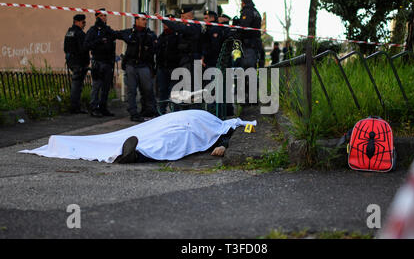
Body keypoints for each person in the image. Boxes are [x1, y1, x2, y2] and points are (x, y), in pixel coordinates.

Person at [19, 110, 256, 164]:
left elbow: (248, 131)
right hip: (182, 123)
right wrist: (225, 144)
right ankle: (134, 151)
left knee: (171, 141)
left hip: (186, 128)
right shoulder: (222, 124)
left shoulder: (230, 127)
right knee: (163, 137)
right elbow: (242, 129)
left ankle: (134, 154)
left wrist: (226, 146)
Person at [116, 13, 158, 122]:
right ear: (137, 20)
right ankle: (133, 113)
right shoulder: (130, 33)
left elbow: (155, 49)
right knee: (132, 90)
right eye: (143, 19)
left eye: (146, 20)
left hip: (144, 65)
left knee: (147, 89)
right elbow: (115, 34)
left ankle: (149, 110)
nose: (145, 22)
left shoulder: (150, 34)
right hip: (131, 65)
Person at [83, 8, 117, 118]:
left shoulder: (108, 30)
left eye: (105, 16)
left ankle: (103, 107)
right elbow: (86, 45)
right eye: (101, 16)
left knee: (106, 87)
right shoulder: (92, 30)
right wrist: (99, 41)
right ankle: (94, 108)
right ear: (96, 17)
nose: (104, 18)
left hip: (108, 62)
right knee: (96, 86)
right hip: (97, 61)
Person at [160, 6, 202, 92]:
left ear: (191, 17)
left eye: (185, 17)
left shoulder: (195, 26)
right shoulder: (183, 26)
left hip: (193, 60)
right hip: (184, 60)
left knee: (193, 87)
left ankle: (194, 105)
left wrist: (165, 20)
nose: (182, 19)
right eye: (181, 17)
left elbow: (182, 29)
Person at [64, 14, 89, 114]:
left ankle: (75, 107)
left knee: (76, 85)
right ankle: (75, 107)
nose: (84, 24)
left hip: (71, 62)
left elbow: (65, 48)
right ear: (77, 22)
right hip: (79, 63)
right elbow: (83, 49)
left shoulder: (69, 32)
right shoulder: (80, 34)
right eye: (83, 22)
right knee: (77, 86)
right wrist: (86, 62)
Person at [155, 14, 180, 114]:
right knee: (162, 91)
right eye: (164, 23)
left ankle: (176, 111)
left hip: (174, 68)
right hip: (162, 68)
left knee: (175, 91)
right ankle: (161, 111)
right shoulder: (161, 37)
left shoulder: (177, 36)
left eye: (167, 22)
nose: (165, 25)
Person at [238, 0, 264, 69]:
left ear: (243, 2)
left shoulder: (247, 11)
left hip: (249, 44)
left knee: (248, 67)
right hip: (256, 43)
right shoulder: (256, 11)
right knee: (253, 66)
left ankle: (249, 81)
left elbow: (244, 27)